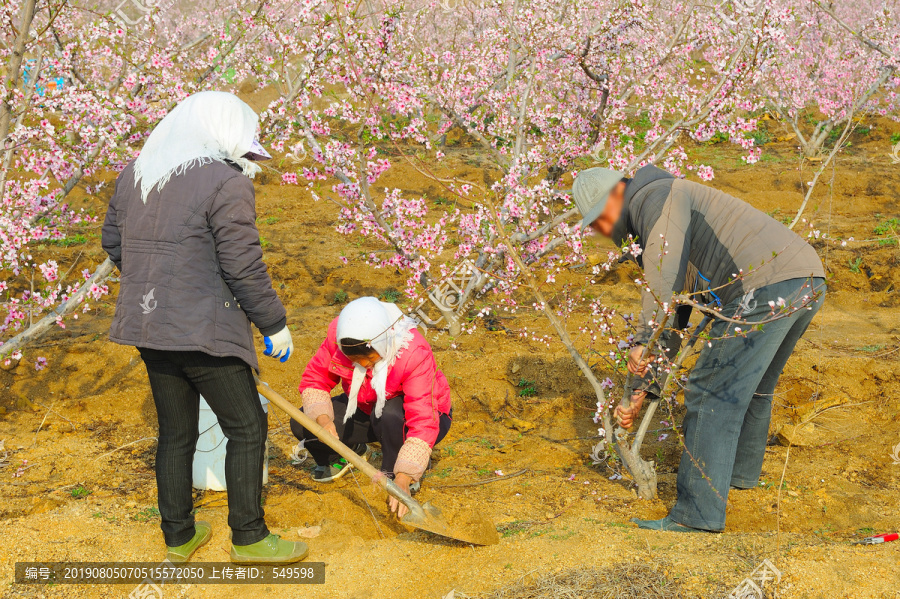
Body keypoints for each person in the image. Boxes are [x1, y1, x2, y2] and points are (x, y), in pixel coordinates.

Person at [101, 91, 307, 564]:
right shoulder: (224, 181)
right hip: (202, 328)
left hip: (149, 326)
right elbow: (242, 264)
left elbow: (114, 241)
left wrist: (151, 282)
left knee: (175, 433)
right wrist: (274, 323)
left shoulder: (137, 174)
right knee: (247, 426)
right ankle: (250, 537)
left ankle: (178, 537)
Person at [573, 164, 826, 533]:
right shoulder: (665, 206)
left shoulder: (654, 197)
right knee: (750, 385)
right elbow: (675, 310)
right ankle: (737, 475)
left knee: (711, 388)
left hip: (764, 287)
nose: (602, 230)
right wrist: (642, 388)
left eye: (599, 219)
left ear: (617, 195)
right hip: (804, 278)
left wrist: (643, 339)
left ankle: (696, 515)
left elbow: (661, 279)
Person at [290, 296, 452, 518]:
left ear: (382, 343)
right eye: (354, 359)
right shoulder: (339, 339)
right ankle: (344, 455)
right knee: (303, 423)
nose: (363, 365)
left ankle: (399, 476)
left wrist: (405, 475)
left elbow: (423, 419)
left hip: (417, 417)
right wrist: (324, 421)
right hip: (367, 407)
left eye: (369, 359)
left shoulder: (412, 352)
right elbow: (315, 380)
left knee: (390, 413)